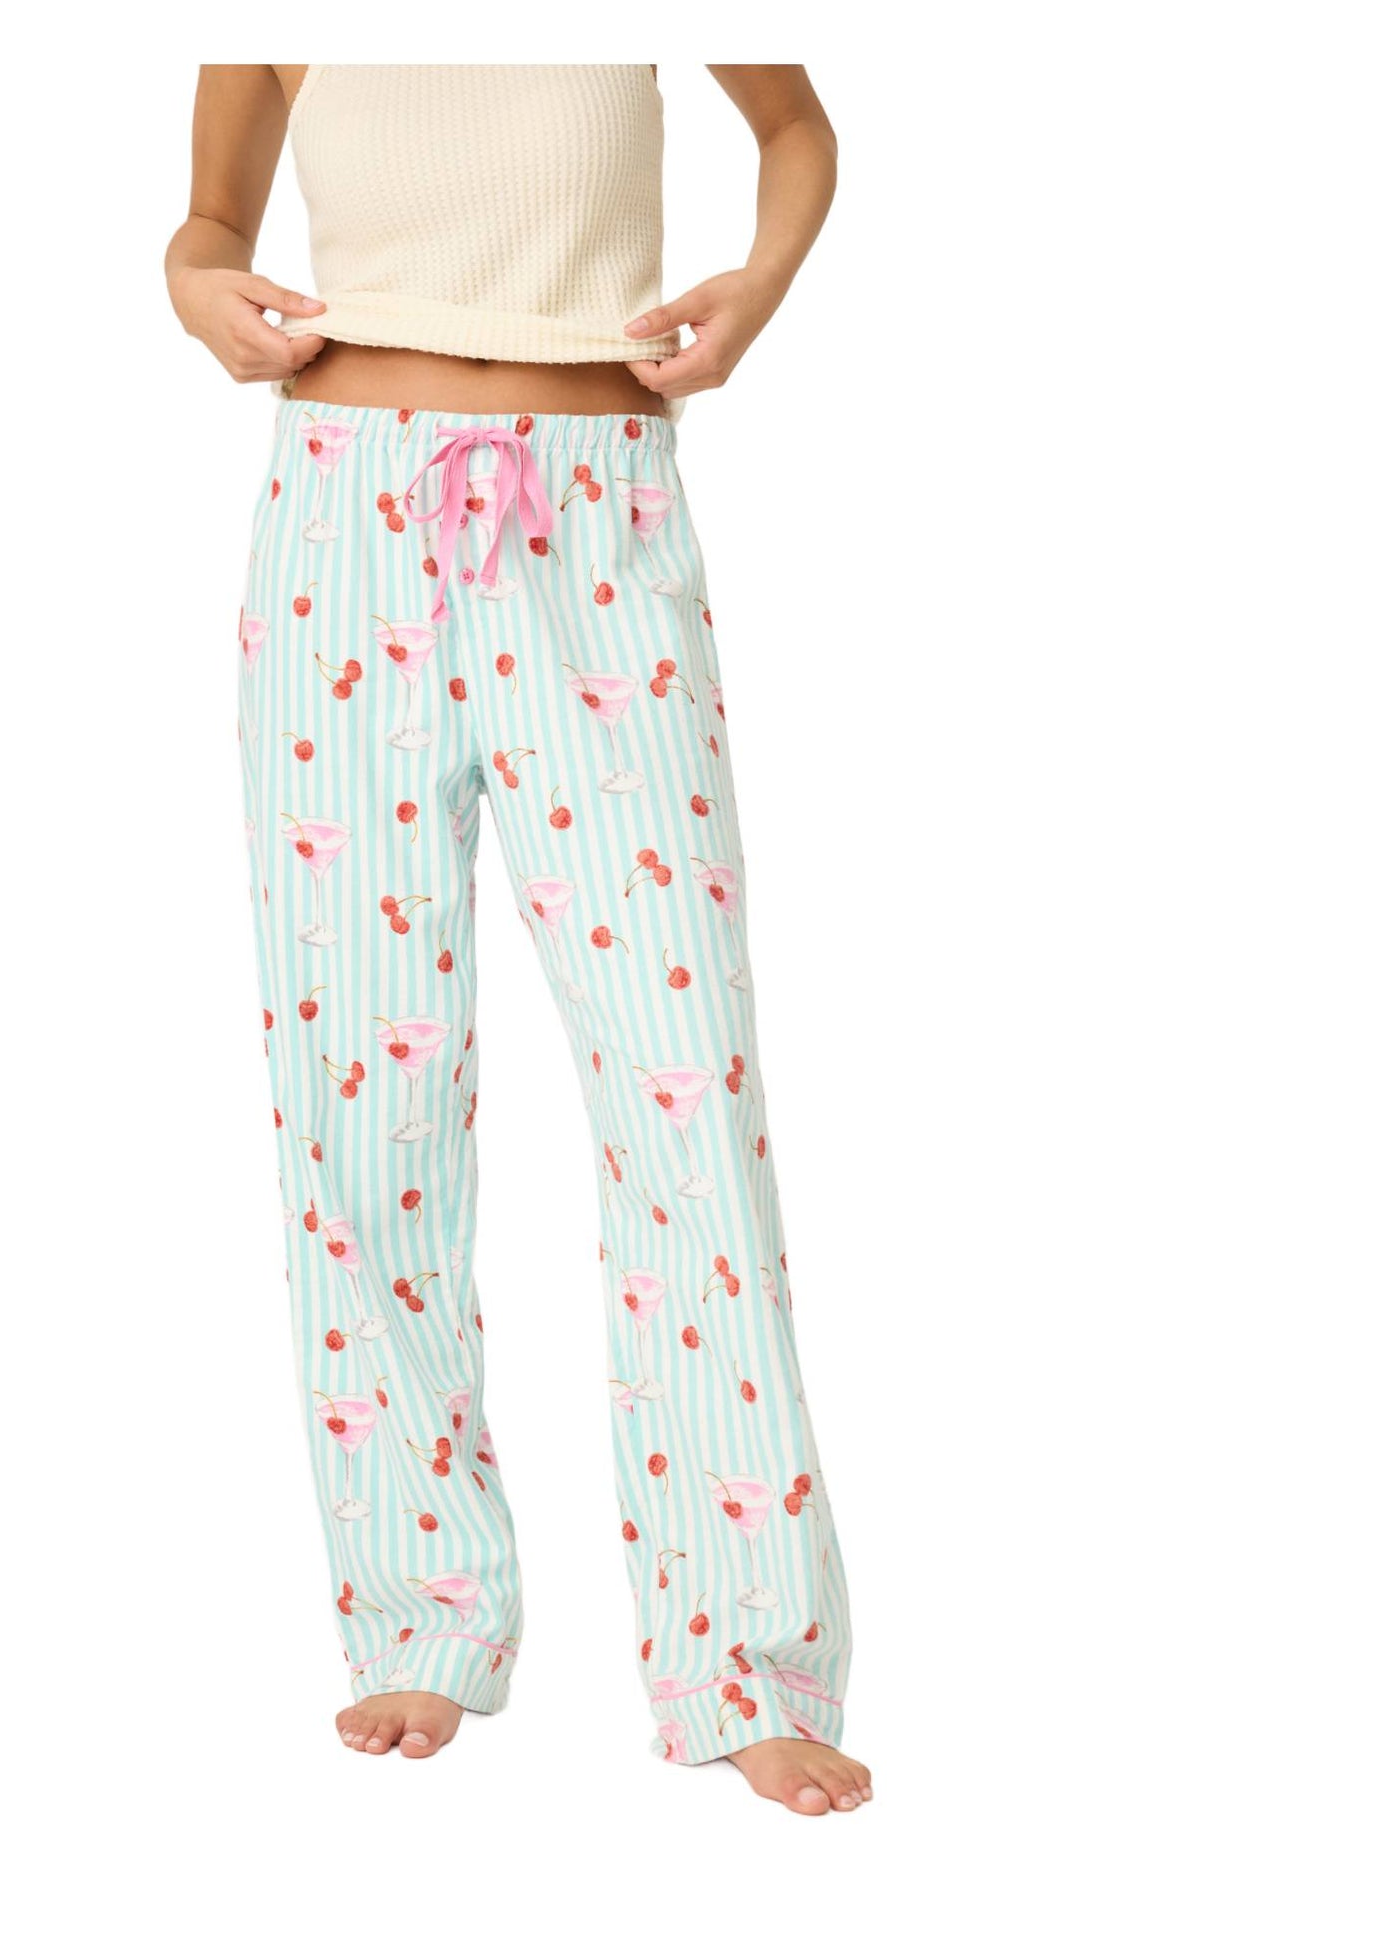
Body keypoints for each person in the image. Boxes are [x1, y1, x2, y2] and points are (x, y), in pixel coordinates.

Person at [165, 63, 872, 1818]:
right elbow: (209, 221)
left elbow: (793, 123)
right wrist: (190, 281)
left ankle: (745, 1657)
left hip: (598, 513)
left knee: (683, 1094)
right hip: (340, 522)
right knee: (360, 1102)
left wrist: (758, 284)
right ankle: (418, 1607)